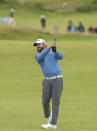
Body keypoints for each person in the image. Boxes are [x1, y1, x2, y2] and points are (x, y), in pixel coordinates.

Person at [33, 39, 63, 129]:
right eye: (36, 45)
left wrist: (55, 51)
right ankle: (49, 116)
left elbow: (61, 57)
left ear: (44, 44)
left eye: (39, 44)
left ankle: (53, 123)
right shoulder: (38, 55)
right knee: (44, 101)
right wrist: (50, 47)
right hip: (46, 80)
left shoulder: (52, 52)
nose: (38, 46)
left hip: (57, 79)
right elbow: (41, 56)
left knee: (55, 102)